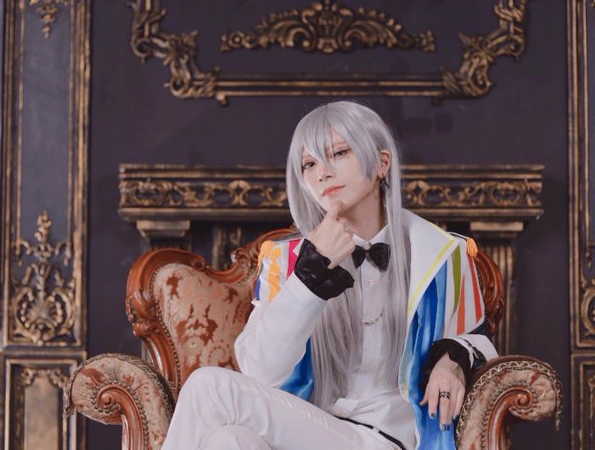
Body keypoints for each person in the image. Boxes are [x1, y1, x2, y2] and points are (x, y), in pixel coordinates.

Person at [161, 101, 498, 449]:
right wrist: (310, 276)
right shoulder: (286, 260)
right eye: (309, 164)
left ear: (382, 163)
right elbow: (261, 372)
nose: (322, 172)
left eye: (338, 153)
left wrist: (452, 360)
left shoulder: (442, 254)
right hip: (302, 432)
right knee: (228, 440)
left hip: (384, 439)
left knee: (208, 387)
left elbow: (477, 339)